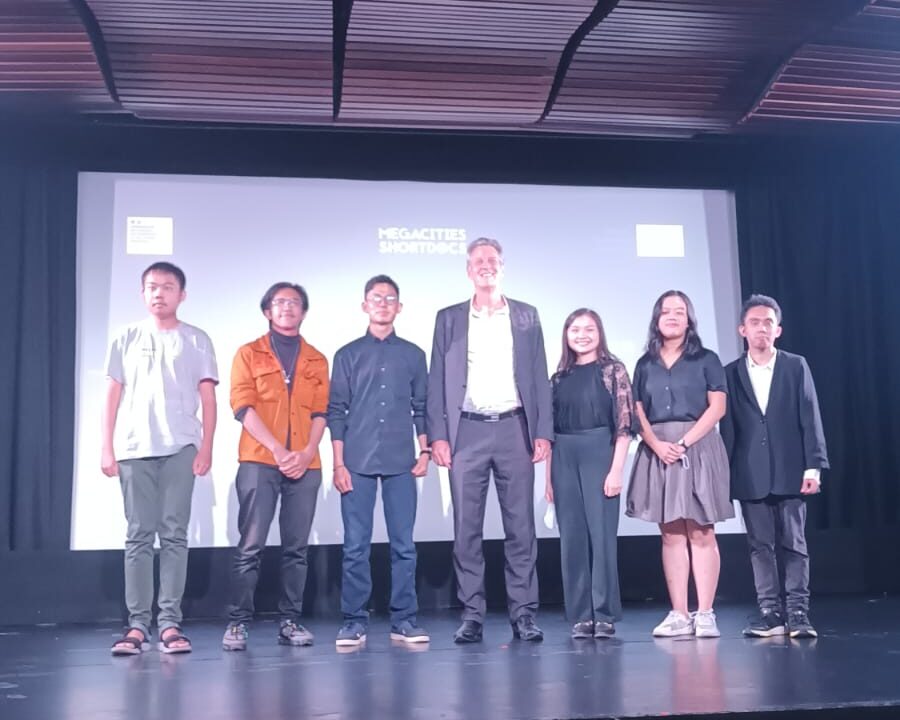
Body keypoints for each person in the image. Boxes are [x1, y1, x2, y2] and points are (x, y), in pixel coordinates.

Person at [427, 237, 553, 644]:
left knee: (521, 527)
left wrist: (542, 431)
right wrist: (438, 436)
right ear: (468, 270)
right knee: (466, 528)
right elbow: (435, 381)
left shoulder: (526, 315)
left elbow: (539, 376)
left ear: (502, 267)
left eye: (492, 260)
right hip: (467, 431)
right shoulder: (449, 318)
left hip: (515, 428)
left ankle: (524, 613)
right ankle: (472, 614)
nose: (486, 265)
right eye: (478, 260)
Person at [102, 261, 218, 656]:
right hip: (134, 448)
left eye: (167, 286)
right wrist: (106, 446)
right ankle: (137, 625)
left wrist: (207, 447)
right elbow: (112, 395)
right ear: (142, 293)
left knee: (174, 534)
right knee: (138, 534)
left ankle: (169, 623)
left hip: (180, 446)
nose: (159, 293)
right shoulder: (126, 337)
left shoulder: (196, 339)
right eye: (152, 286)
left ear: (181, 294)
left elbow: (208, 398)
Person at [222, 282, 329, 651]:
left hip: (306, 463)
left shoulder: (316, 358)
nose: (287, 308)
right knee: (250, 546)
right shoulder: (248, 353)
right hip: (259, 460)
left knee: (296, 548)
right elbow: (242, 407)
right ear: (267, 311)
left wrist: (307, 451)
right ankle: (238, 622)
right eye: (280, 302)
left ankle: (290, 620)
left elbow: (321, 411)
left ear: (304, 312)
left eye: (295, 302)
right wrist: (278, 450)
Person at [327, 275, 431, 647]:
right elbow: (336, 411)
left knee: (404, 546)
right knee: (356, 546)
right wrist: (338, 464)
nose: (383, 303)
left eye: (390, 298)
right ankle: (354, 620)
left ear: (399, 307)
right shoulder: (347, 355)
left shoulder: (414, 355)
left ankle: (404, 620)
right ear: (364, 305)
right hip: (356, 460)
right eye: (376, 297)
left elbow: (422, 407)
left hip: (401, 461)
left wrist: (425, 451)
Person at [626, 290, 734, 638]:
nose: (672, 317)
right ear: (656, 319)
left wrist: (684, 442)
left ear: (689, 320)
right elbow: (637, 410)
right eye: (666, 311)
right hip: (658, 448)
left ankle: (705, 613)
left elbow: (717, 408)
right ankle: (679, 613)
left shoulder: (707, 359)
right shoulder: (645, 364)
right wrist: (656, 445)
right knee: (671, 532)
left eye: (679, 311)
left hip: (697, 447)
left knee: (701, 530)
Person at [720, 294, 828, 639]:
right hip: (749, 472)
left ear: (778, 329)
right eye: (755, 322)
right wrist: (726, 476)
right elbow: (728, 429)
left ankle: (798, 613)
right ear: (742, 329)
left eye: (768, 322)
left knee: (795, 544)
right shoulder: (730, 373)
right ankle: (770, 613)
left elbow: (810, 416)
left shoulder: (795, 366)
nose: (762, 328)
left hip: (791, 470)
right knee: (759, 546)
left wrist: (813, 467)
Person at [545, 309, 636, 639]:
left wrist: (616, 470)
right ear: (566, 335)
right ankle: (581, 614)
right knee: (572, 539)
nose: (582, 335)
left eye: (589, 329)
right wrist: (548, 481)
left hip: (600, 451)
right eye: (575, 329)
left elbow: (624, 426)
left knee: (601, 537)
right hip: (563, 456)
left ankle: (604, 613)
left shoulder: (613, 370)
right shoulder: (558, 378)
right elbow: (549, 434)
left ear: (600, 333)